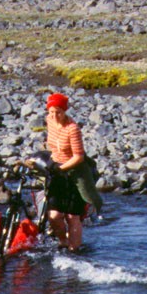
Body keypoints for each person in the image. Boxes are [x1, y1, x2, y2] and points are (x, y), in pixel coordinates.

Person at [42, 92, 103, 251]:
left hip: (74, 171)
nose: (55, 116)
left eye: (58, 112)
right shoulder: (49, 121)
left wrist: (61, 168)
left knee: (71, 216)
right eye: (51, 112)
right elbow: (51, 143)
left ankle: (74, 249)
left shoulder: (72, 129)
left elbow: (79, 157)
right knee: (54, 215)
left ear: (65, 111)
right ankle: (62, 241)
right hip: (56, 167)